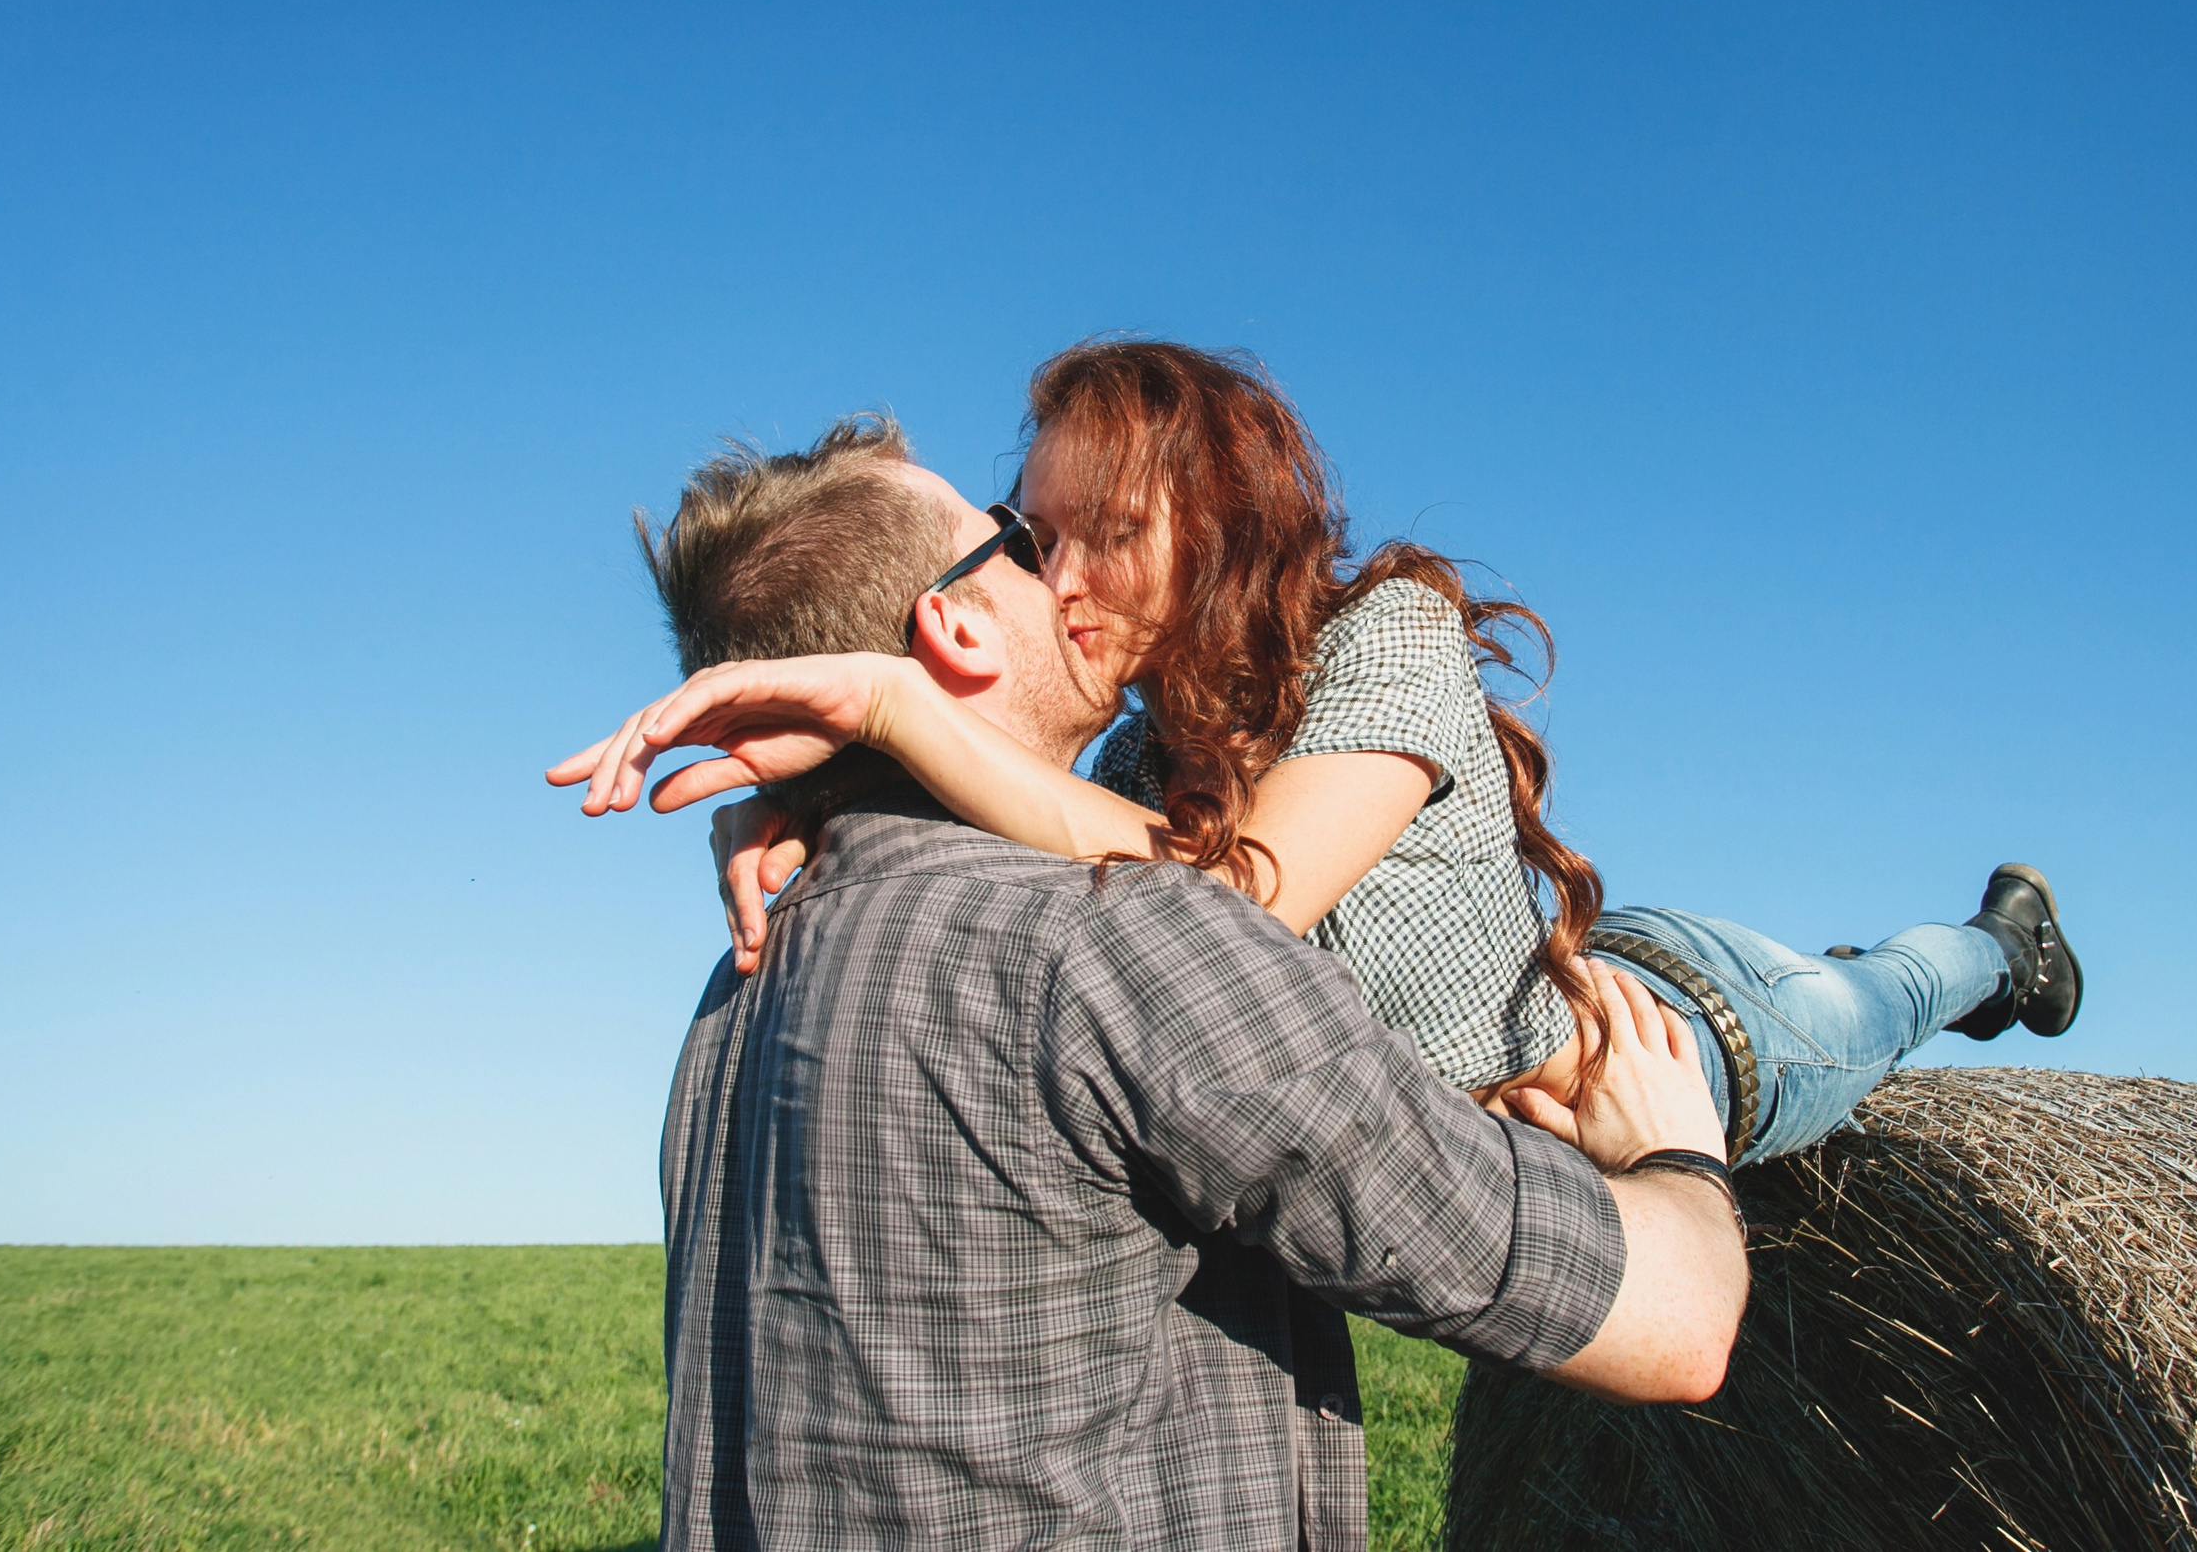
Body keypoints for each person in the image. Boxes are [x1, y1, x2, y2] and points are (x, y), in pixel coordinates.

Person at [566, 421, 1749, 1547]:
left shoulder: (742, 982)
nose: (1072, 577)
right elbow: (1674, 1323)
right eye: (1020, 543)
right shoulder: (1111, 942)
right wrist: (1676, 1157)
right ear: (956, 630)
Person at [557, 340, 2085, 1173]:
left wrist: (892, 715)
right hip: (1561, 1001)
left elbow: (1237, 901)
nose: (1061, 580)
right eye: (1041, 537)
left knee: (1882, 999)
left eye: (1112, 534)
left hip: (1683, 1033)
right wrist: (807, 805)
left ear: (1218, 527)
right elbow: (1054, 852)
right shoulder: (1141, 763)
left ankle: (1995, 942)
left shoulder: (1390, 634)